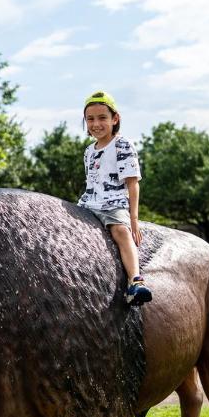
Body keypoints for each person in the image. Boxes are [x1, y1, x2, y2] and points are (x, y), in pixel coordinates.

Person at [78, 90, 152, 305]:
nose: (96, 124)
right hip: (89, 203)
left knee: (120, 232)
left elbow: (132, 183)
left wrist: (133, 220)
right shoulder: (88, 151)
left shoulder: (122, 145)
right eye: (90, 119)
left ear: (115, 119)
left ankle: (135, 281)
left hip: (113, 204)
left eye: (102, 117)